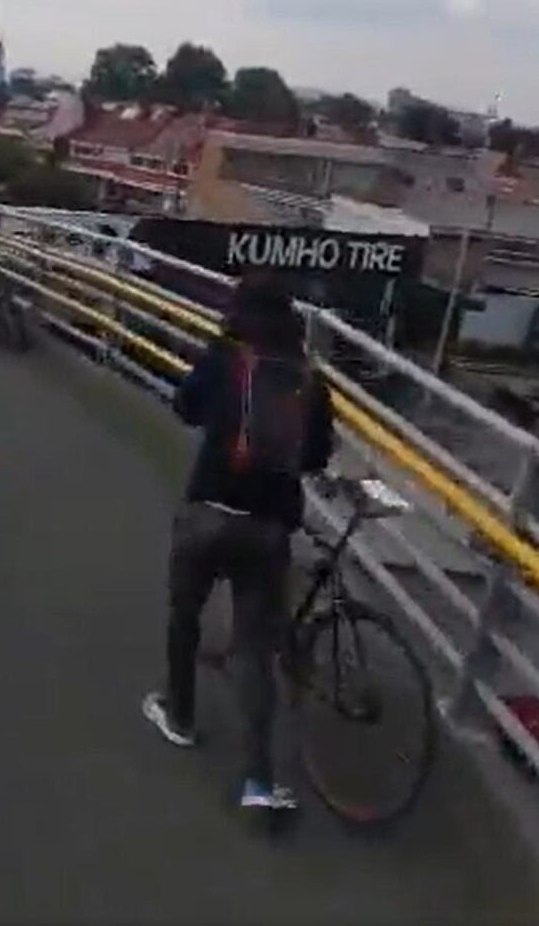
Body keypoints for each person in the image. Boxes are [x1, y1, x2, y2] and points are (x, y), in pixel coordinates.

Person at [142, 273, 335, 811]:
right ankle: (258, 780)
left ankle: (178, 714)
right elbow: (317, 456)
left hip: (207, 512)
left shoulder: (224, 358)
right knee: (255, 650)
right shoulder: (309, 381)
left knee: (186, 614)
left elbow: (185, 407)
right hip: (269, 527)